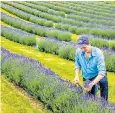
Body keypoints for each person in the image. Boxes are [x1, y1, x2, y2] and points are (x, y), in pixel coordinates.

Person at [74, 35, 108, 100]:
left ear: (89, 43)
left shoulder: (98, 53)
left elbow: (102, 72)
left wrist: (92, 83)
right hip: (87, 76)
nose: (83, 50)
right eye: (81, 48)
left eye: (84, 47)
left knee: (104, 96)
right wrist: (76, 76)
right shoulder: (78, 51)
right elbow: (77, 65)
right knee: (89, 97)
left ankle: (104, 106)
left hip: (98, 75)